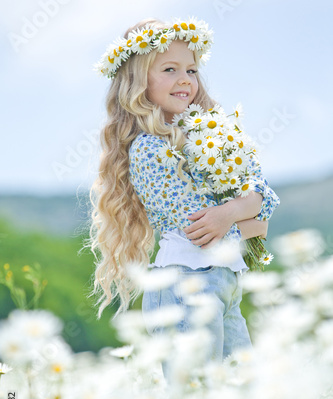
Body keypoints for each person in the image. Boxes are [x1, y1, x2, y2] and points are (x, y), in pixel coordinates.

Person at [88, 17, 280, 371]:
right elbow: (200, 230)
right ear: (138, 81)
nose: (184, 80)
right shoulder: (148, 149)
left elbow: (263, 194)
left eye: (191, 71)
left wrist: (236, 212)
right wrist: (246, 215)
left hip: (224, 280)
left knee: (239, 393)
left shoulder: (211, 137)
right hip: (185, 283)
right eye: (169, 69)